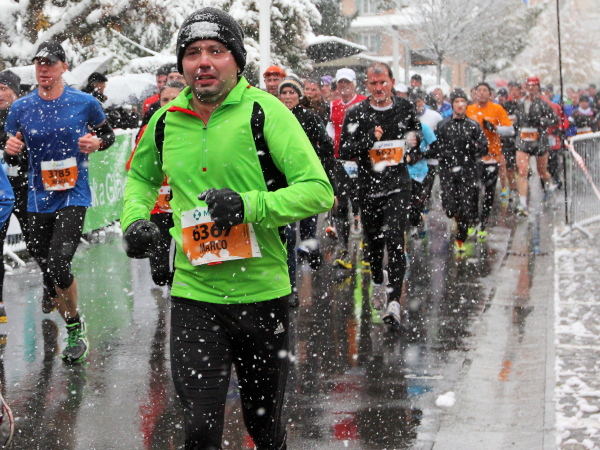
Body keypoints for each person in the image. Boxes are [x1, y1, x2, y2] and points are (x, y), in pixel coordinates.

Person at [121, 8, 333, 449]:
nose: (204, 61)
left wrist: (248, 206)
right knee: (199, 431)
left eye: (216, 51)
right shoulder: (165, 121)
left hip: (261, 296)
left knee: (264, 429)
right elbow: (140, 177)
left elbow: (318, 191)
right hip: (195, 296)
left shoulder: (265, 112)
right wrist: (135, 219)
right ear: (182, 65)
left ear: (236, 60)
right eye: (193, 52)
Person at [5, 41, 115, 363]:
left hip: (73, 193)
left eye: (50, 63)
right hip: (37, 196)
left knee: (58, 262)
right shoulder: (21, 107)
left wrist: (96, 143)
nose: (44, 69)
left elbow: (107, 135)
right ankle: (53, 289)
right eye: (39, 63)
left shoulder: (84, 102)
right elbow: (11, 148)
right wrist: (11, 148)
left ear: (63, 67)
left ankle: (75, 327)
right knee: (44, 260)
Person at [340, 62, 422, 330]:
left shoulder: (405, 108)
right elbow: (343, 149)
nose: (378, 88)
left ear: (392, 82)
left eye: (383, 82)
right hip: (369, 187)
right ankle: (377, 279)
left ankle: (394, 301)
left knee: (396, 239)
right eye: (373, 83)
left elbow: (415, 135)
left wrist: (412, 147)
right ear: (367, 85)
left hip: (398, 185)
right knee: (374, 243)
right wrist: (368, 141)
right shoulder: (357, 113)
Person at [278, 76, 337, 306]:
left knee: (308, 228)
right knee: (288, 236)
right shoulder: (274, 116)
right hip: (282, 183)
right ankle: (291, 288)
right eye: (284, 93)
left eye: (292, 92)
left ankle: (313, 252)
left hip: (305, 181)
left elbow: (327, 146)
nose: (288, 97)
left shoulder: (309, 117)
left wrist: (320, 169)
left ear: (299, 95)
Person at [126, 81, 185, 287]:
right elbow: (133, 167)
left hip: (185, 205)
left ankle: (177, 296)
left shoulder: (196, 128)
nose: (169, 104)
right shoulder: (150, 128)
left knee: (183, 267)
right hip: (159, 206)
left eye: (174, 99)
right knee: (159, 272)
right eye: (164, 100)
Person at [433, 89, 488, 253]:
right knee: (450, 207)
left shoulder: (473, 125)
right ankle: (455, 218)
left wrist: (473, 148)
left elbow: (484, 147)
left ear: (466, 105)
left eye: (463, 101)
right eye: (457, 101)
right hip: (448, 171)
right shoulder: (443, 125)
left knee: (466, 205)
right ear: (452, 104)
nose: (460, 104)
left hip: (467, 170)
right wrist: (441, 153)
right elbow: (435, 146)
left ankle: (460, 239)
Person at [327, 67, 366, 270]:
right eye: (341, 82)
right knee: (341, 206)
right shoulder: (333, 106)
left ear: (354, 84)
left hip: (361, 161)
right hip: (340, 161)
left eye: (347, 83)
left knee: (363, 203)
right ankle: (344, 249)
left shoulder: (364, 103)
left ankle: (367, 248)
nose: (344, 86)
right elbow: (330, 130)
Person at [466, 82, 514, 238]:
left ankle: (484, 223)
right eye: (478, 90)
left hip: (491, 156)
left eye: (484, 90)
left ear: (490, 94)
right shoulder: (469, 109)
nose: (481, 93)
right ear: (474, 93)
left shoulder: (497, 109)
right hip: (474, 156)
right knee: (472, 190)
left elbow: (510, 130)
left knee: (488, 191)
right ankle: (473, 220)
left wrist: (494, 128)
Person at [514, 76, 558, 216]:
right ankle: (522, 204)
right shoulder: (520, 103)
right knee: (522, 171)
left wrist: (542, 121)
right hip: (523, 141)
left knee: (542, 172)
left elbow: (555, 120)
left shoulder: (543, 104)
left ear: (538, 87)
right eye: (529, 85)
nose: (531, 88)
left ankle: (550, 188)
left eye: (534, 86)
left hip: (539, 141)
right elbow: (516, 121)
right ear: (526, 87)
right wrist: (515, 130)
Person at [0, 70, 20, 323]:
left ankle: (50, 286)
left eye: (5, 88)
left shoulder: (24, 113)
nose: (0, 94)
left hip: (24, 188)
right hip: (1, 192)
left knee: (37, 244)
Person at [496, 87, 519, 200]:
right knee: (502, 165)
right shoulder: (497, 108)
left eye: (503, 97)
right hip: (501, 141)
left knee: (511, 167)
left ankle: (513, 187)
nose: (501, 99)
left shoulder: (513, 107)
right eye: (499, 97)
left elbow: (516, 125)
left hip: (512, 141)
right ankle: (505, 188)